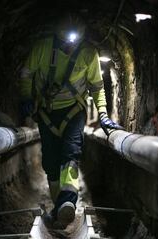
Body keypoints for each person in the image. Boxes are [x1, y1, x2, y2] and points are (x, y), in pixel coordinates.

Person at [18, 12, 123, 229]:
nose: (69, 45)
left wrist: (102, 113)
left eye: (73, 41)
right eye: (65, 40)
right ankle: (59, 206)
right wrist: (27, 97)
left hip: (74, 112)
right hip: (46, 113)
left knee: (71, 154)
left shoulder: (87, 53)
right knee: (51, 162)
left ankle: (68, 200)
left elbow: (96, 86)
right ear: (57, 36)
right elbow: (27, 74)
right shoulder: (42, 48)